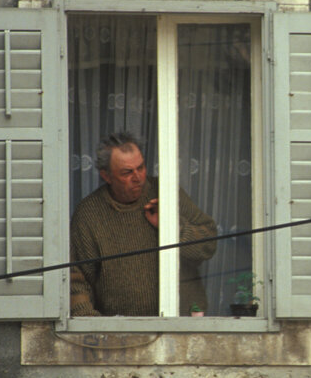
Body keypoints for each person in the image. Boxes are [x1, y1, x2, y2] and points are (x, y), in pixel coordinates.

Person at [70, 132, 217, 316]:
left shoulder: (166, 193)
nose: (138, 177)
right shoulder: (89, 214)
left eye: (141, 168)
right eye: (127, 172)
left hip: (182, 320)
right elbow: (77, 278)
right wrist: (90, 323)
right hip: (121, 327)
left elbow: (208, 245)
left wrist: (172, 226)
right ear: (106, 176)